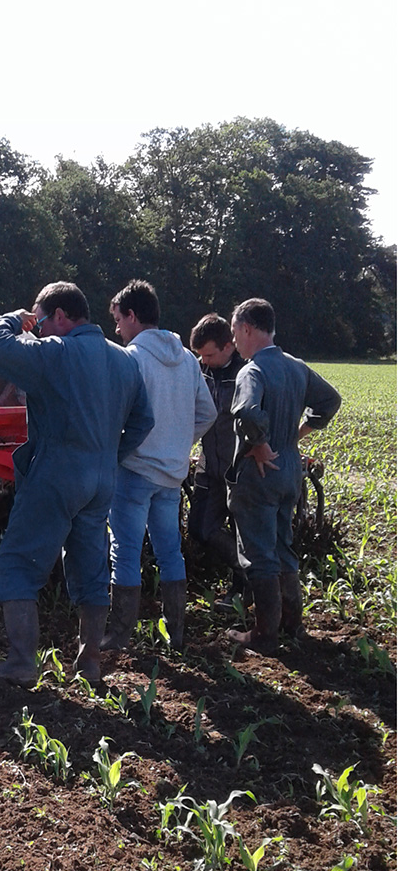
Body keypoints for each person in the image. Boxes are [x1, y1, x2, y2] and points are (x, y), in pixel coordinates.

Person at [0, 282, 154, 686]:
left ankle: (21, 662)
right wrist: (110, 452)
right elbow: (144, 420)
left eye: (40, 322)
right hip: (101, 479)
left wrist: (11, 319)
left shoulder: (57, 351)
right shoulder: (125, 360)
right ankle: (89, 662)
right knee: (91, 567)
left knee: (19, 562)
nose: (36, 330)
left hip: (56, 473)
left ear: (59, 316)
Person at [104, 280, 216, 652]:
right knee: (170, 550)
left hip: (135, 470)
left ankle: (119, 635)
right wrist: (181, 441)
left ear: (133, 316)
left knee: (125, 549)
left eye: (119, 320)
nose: (117, 329)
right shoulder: (186, 358)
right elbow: (208, 413)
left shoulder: (131, 358)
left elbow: (117, 414)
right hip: (171, 472)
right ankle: (176, 632)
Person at [225, 298, 341, 655]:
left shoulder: (252, 370)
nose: (234, 342)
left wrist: (259, 445)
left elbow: (245, 412)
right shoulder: (297, 367)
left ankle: (263, 634)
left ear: (247, 328)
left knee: (259, 553)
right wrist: (297, 434)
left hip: (261, 474)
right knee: (283, 547)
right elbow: (330, 401)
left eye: (234, 333)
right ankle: (293, 624)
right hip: (291, 471)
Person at [188, 314, 248, 609]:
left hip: (236, 470)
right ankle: (247, 572)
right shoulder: (202, 370)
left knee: (240, 532)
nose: (205, 361)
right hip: (207, 466)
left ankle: (243, 586)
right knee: (199, 528)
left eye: (209, 354)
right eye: (201, 355)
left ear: (229, 346)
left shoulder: (246, 375)